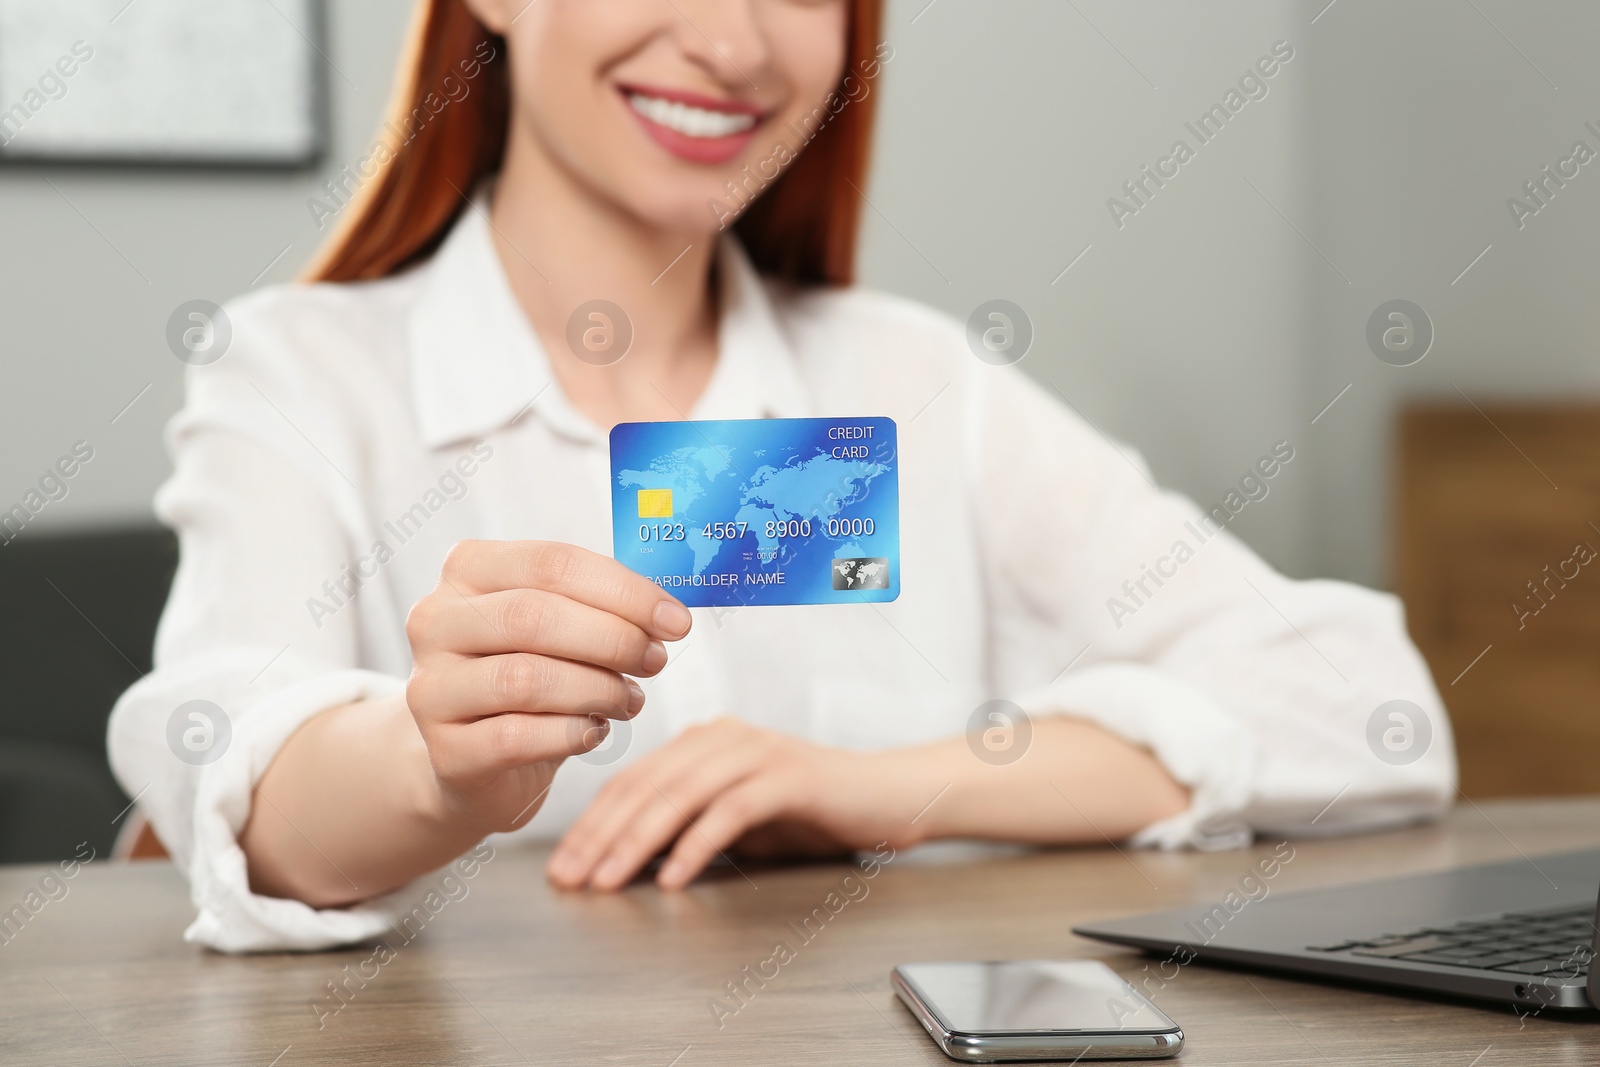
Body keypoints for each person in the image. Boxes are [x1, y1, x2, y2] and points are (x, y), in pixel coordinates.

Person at [109, 0, 1454, 953]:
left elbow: (1371, 711)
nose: (736, 40)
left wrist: (889, 786)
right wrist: (440, 766)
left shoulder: (918, 381)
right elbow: (230, 777)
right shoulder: (299, 375)